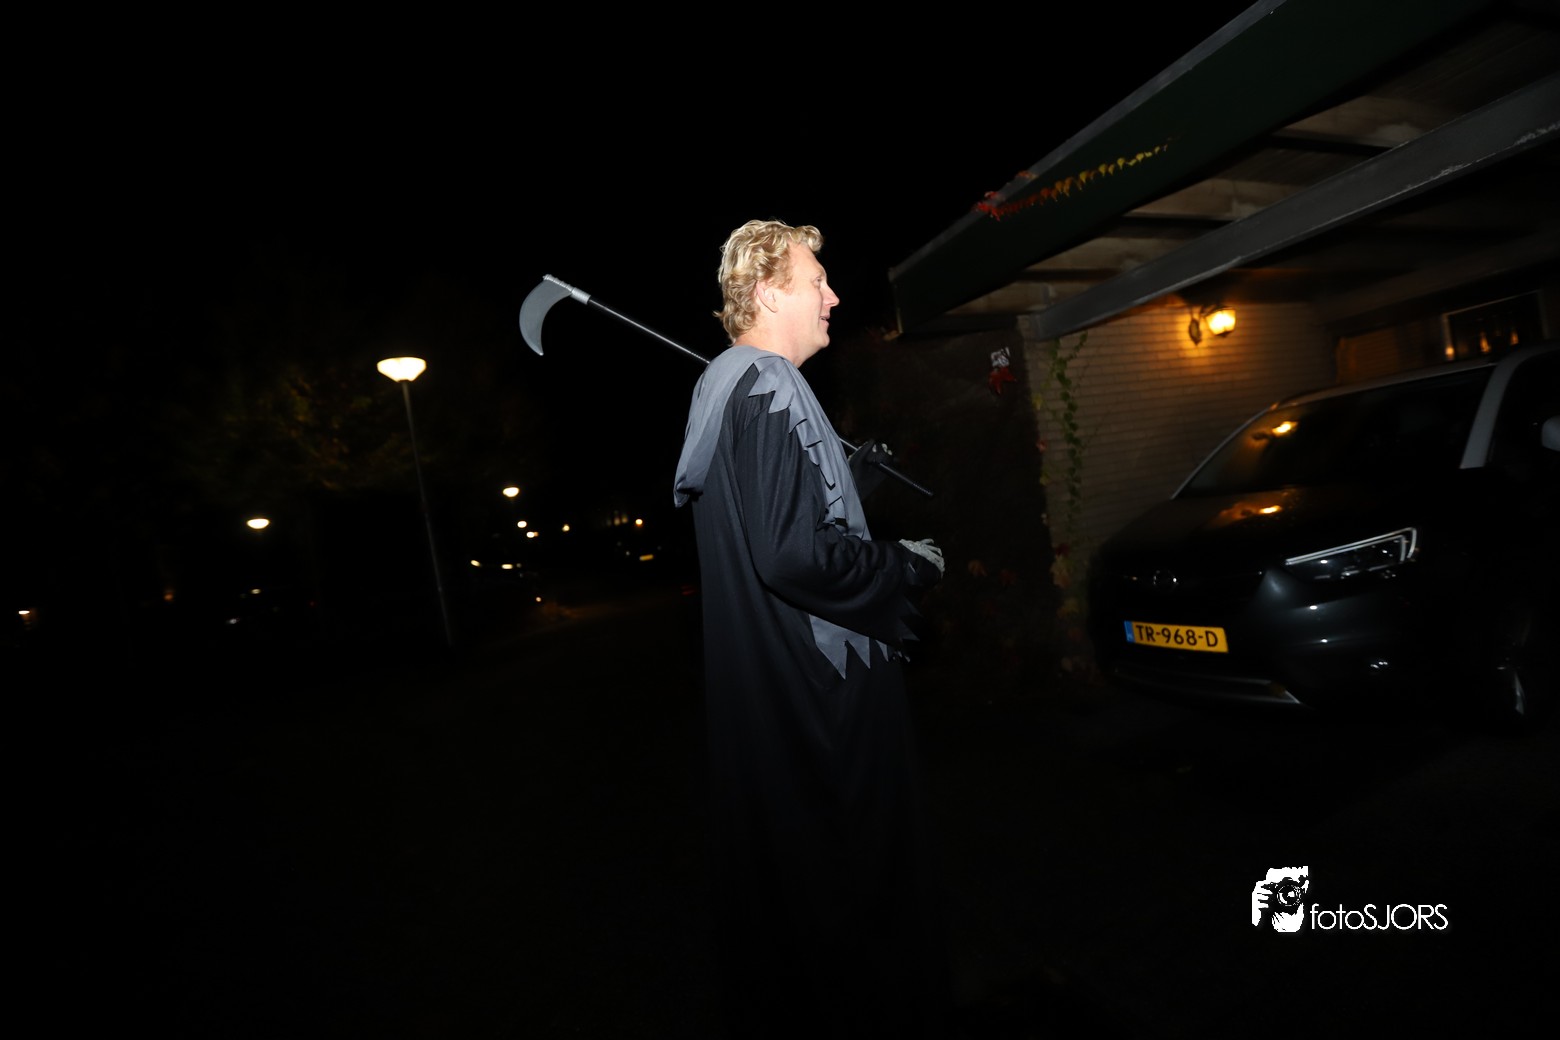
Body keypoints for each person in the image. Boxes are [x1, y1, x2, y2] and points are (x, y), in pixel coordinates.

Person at [673, 219, 951, 1038]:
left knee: (801, 886)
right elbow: (794, 556)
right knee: (854, 890)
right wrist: (904, 564)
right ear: (768, 292)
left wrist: (848, 478)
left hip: (775, 700)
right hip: (822, 699)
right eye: (816, 279)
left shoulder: (725, 387)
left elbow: (777, 518)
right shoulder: (768, 384)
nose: (833, 295)